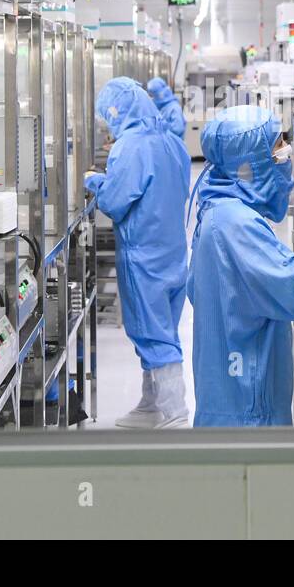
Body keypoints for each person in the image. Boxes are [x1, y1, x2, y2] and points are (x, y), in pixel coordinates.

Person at [186, 105, 294, 426]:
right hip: (248, 413)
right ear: (247, 166)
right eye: (277, 147)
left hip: (228, 404)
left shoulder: (218, 210)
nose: (286, 154)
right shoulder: (237, 225)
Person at [85, 77, 192, 428]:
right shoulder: (172, 142)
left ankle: (174, 413)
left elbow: (115, 202)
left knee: (152, 334)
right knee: (165, 329)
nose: (109, 125)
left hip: (143, 257)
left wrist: (95, 181)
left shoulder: (130, 147)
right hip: (173, 253)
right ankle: (152, 404)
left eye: (108, 117)